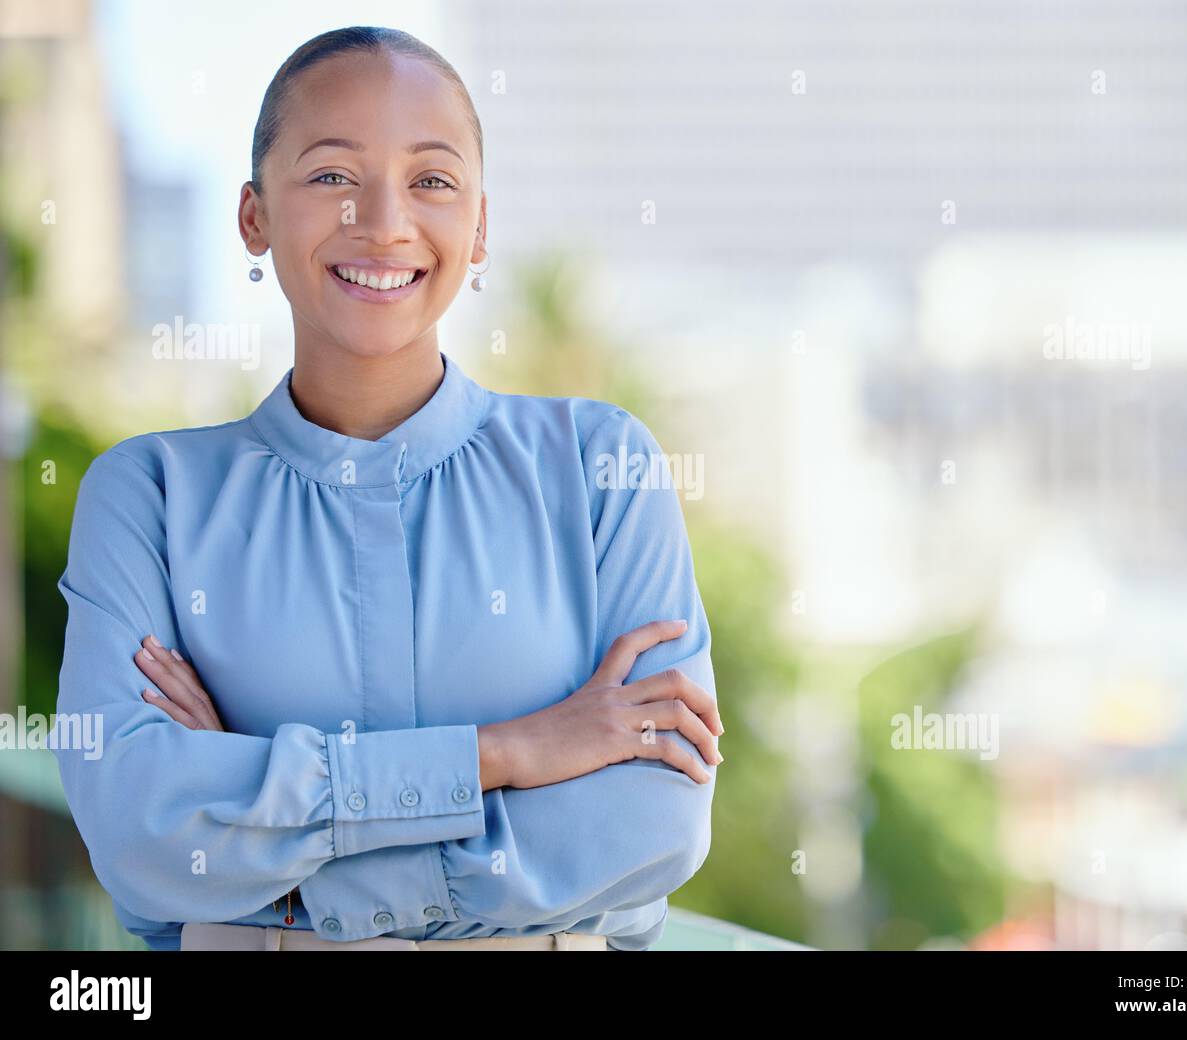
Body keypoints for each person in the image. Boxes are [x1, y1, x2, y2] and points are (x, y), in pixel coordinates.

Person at [53, 25, 722, 952]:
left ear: (480, 224)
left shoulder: (601, 467)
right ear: (254, 216)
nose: (384, 222)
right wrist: (509, 754)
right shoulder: (151, 496)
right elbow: (137, 832)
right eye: (332, 176)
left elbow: (653, 828)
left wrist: (263, 834)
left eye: (432, 180)